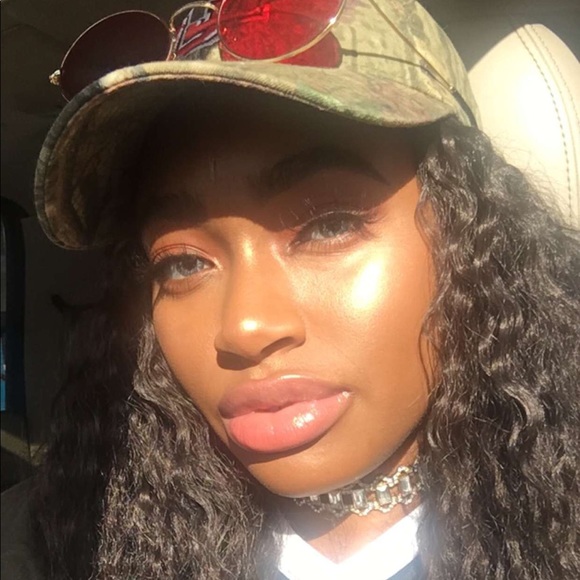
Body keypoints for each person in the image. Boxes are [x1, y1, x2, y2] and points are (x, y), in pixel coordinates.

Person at [2, 1, 579, 579]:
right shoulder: (62, 537)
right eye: (182, 263)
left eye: (329, 226)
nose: (244, 328)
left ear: (472, 239)